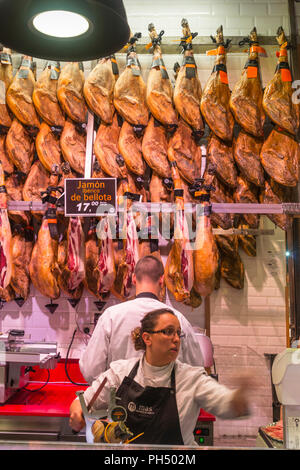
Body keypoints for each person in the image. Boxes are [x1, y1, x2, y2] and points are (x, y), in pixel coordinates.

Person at [70, 308, 252, 446]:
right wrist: (77, 412)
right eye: (168, 331)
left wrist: (241, 395)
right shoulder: (120, 372)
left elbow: (229, 405)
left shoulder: (192, 378)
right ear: (147, 338)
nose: (176, 339)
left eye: (178, 333)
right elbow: (84, 402)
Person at [79, 255, 204, 384]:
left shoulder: (111, 316)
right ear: (162, 281)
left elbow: (90, 370)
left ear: (133, 279)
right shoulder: (178, 319)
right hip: (165, 401)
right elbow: (196, 368)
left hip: (119, 401)